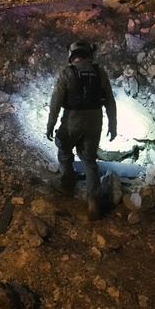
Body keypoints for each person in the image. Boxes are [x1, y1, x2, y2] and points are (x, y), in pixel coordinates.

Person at [45, 40, 118, 221]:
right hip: (95, 120)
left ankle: (67, 185)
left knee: (64, 149)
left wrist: (51, 124)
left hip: (72, 119)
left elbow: (56, 102)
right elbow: (109, 100)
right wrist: (112, 124)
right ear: (88, 55)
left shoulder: (66, 73)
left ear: (71, 55)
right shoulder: (100, 73)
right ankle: (93, 201)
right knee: (89, 160)